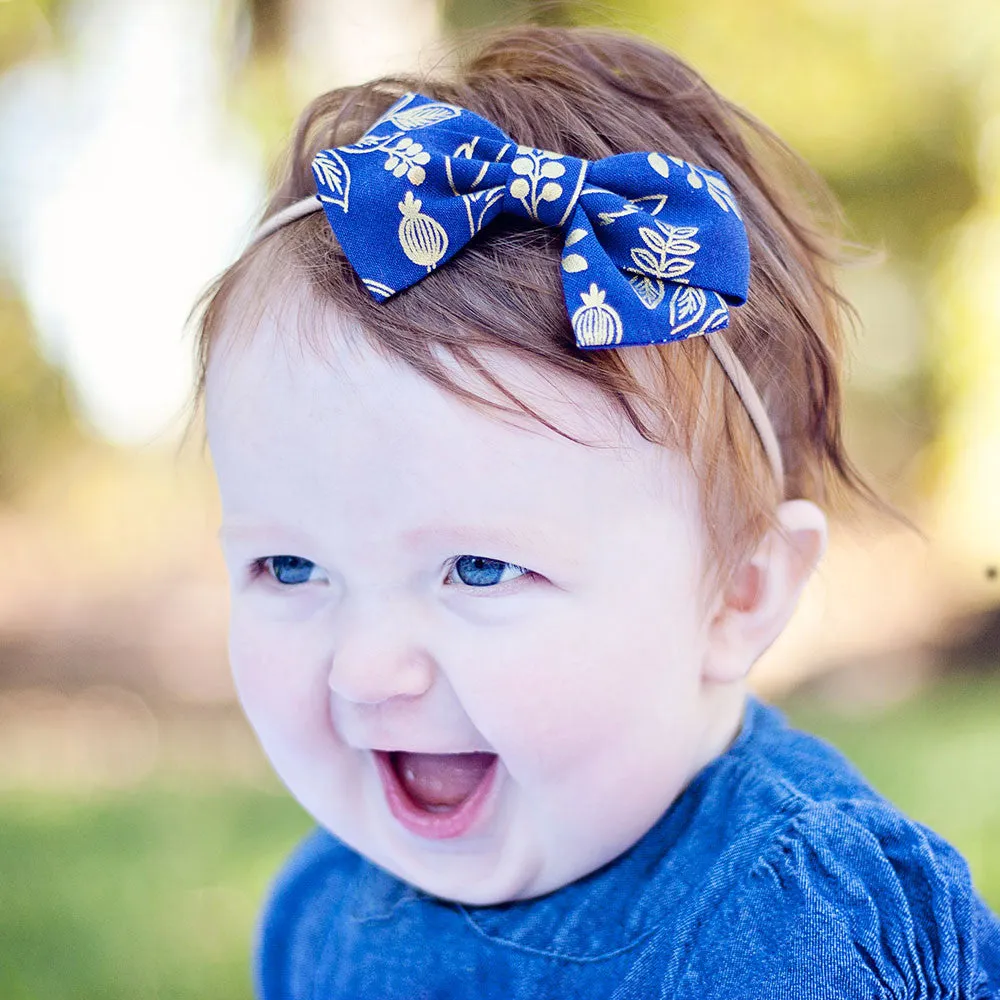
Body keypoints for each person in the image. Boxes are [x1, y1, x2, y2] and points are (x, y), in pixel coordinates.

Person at [192, 24, 1000, 999]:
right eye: (289, 568)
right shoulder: (320, 913)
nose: (366, 669)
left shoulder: (785, 924)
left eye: (479, 568)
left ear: (736, 594)